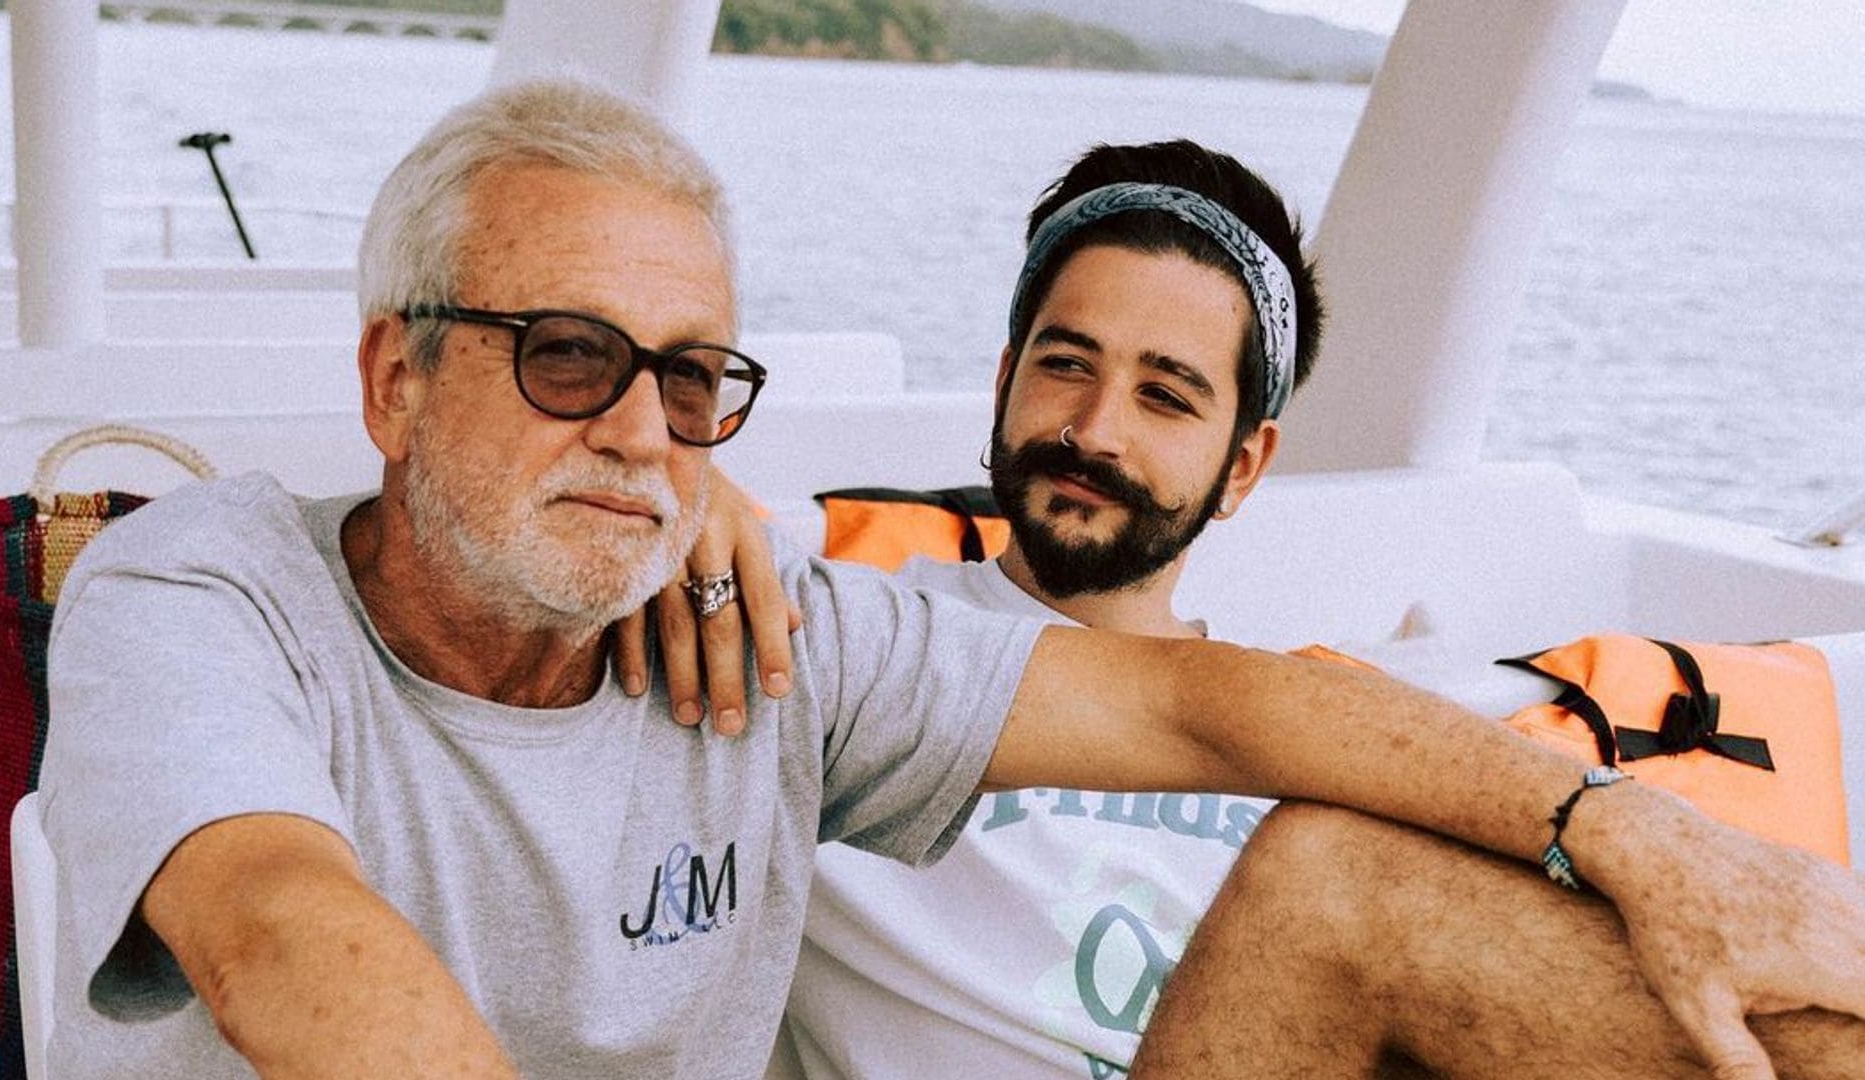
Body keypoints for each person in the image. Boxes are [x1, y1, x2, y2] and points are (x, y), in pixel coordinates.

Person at [38, 80, 1865, 1080]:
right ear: (393, 380)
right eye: (568, 355)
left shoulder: (774, 640)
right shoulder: (205, 596)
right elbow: (286, 930)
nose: (642, 432)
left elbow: (1191, 698)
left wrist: (1641, 835)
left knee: (1338, 880)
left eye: (688, 380)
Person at [763, 140, 1865, 1080]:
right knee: (1330, 875)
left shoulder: (1342, 726)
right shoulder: (841, 656)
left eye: (1166, 395)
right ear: (1004, 382)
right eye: (1065, 365)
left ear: (1244, 466)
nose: (1097, 430)